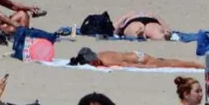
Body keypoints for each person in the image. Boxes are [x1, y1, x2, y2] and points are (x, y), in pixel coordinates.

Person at [68, 47, 201, 70]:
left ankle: (196, 65)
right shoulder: (101, 54)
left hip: (139, 59)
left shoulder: (107, 61)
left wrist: (147, 67)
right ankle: (195, 65)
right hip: (136, 55)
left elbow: (126, 65)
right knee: (169, 62)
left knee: (171, 64)